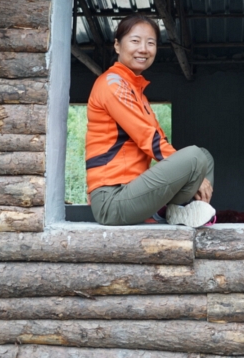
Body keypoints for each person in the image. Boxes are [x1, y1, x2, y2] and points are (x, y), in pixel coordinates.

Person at [85, 14, 216, 227]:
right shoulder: (112, 84)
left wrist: (195, 172)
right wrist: (195, 174)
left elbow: (159, 137)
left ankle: (181, 211)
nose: (143, 49)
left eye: (151, 42)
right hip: (113, 199)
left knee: (204, 156)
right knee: (194, 157)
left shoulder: (136, 91)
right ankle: (178, 211)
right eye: (135, 41)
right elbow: (150, 140)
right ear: (117, 46)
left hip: (136, 191)